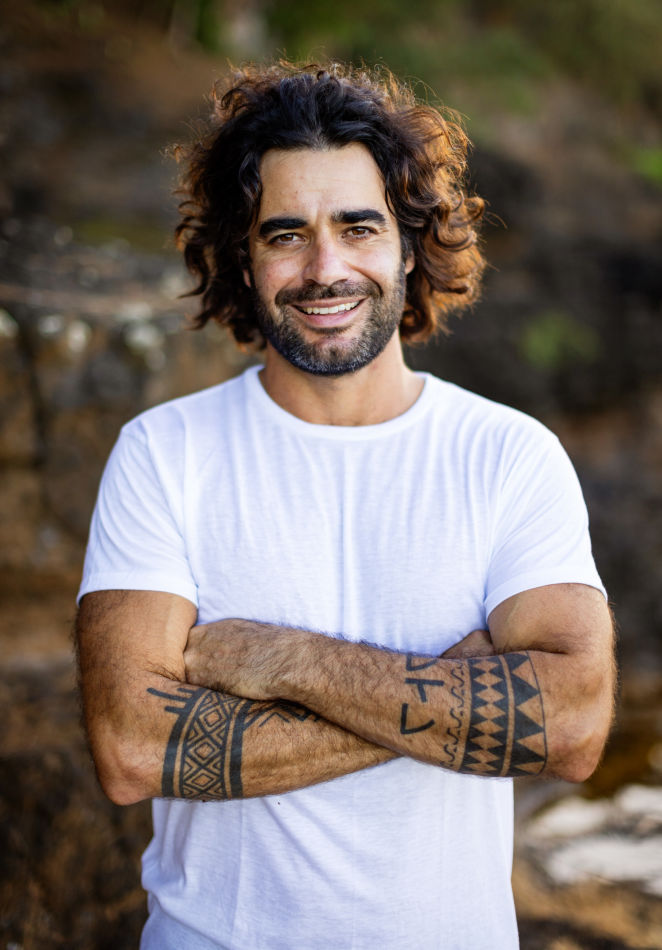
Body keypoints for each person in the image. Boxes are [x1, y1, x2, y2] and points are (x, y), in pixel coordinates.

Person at [76, 62, 615, 950]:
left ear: (408, 246)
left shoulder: (508, 456)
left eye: (359, 227)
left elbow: (575, 728)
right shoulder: (164, 454)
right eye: (286, 235)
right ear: (243, 260)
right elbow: (133, 749)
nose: (325, 270)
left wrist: (283, 660)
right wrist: (452, 685)